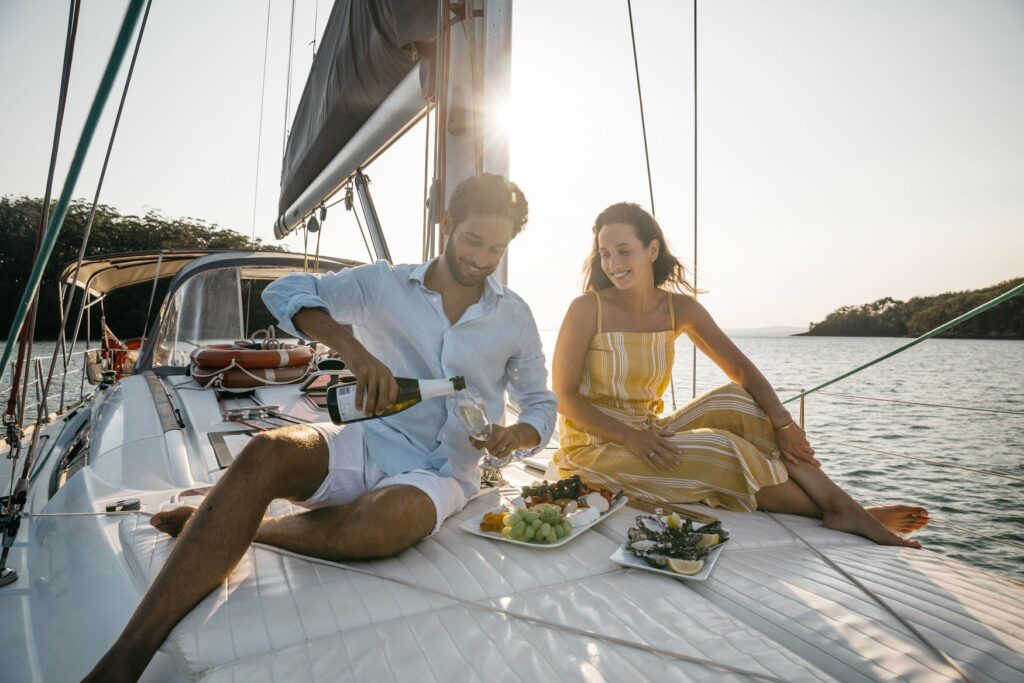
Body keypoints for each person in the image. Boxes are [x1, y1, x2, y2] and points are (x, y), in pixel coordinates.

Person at [85, 174, 556, 682]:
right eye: (473, 241)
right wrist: (354, 351)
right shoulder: (384, 285)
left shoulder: (515, 316)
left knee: (386, 522)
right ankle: (126, 656)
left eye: (497, 248)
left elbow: (539, 404)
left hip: (445, 469)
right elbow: (286, 291)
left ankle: (248, 526)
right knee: (266, 453)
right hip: (371, 439)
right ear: (446, 224)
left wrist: (518, 436)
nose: (482, 259)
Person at [551, 202, 928, 546]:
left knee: (736, 399)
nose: (613, 263)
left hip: (650, 432)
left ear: (652, 250)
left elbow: (742, 369)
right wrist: (631, 438)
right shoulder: (588, 309)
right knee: (720, 448)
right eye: (604, 254)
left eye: (623, 251)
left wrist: (784, 424)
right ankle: (841, 513)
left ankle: (841, 505)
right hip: (595, 449)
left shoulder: (678, 308)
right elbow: (564, 396)